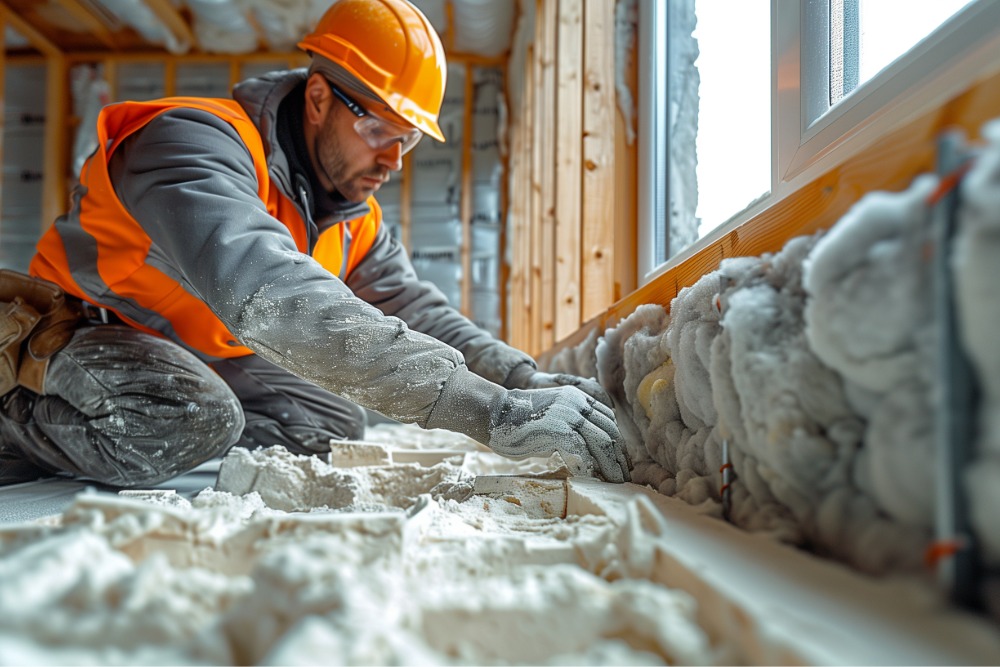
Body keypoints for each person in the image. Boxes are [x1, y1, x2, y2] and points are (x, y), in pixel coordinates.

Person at [0, 0, 630, 488]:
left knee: (325, 421)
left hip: (183, 352)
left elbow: (420, 311)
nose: (393, 161)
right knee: (192, 418)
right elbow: (270, 295)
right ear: (322, 97)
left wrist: (526, 383)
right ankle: (14, 423)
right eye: (381, 130)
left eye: (407, 142)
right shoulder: (191, 141)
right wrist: (487, 413)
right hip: (72, 335)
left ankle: (139, 436)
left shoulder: (354, 217)